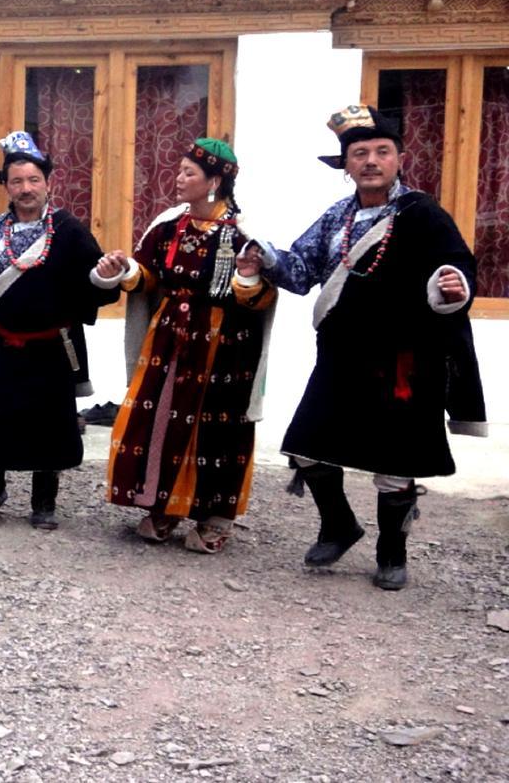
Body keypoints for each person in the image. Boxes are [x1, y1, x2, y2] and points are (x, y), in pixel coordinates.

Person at [240, 105, 485, 590]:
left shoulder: (424, 214)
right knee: (307, 445)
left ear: (398, 159)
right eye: (359, 154)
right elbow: (301, 271)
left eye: (380, 151)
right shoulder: (337, 217)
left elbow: (458, 269)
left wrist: (454, 285)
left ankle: (391, 552)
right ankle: (338, 525)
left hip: (404, 360)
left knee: (395, 463)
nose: (370, 160)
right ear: (346, 165)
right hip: (341, 354)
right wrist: (263, 256)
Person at [92, 139, 275, 553]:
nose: (178, 179)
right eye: (179, 171)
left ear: (214, 181)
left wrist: (248, 279)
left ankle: (216, 517)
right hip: (170, 340)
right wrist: (123, 270)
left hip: (225, 347)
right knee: (161, 420)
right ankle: (164, 505)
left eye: (189, 173)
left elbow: (261, 298)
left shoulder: (245, 235)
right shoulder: (167, 227)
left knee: (216, 429)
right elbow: (149, 278)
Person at [0, 132, 116, 530]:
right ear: (6, 186)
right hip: (3, 342)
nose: (25, 189)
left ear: (47, 182)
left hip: (51, 345)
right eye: (17, 181)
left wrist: (103, 276)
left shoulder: (69, 230)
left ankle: (44, 500)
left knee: (49, 424)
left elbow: (96, 281)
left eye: (33, 180)